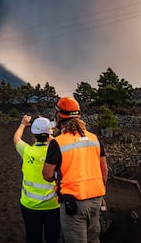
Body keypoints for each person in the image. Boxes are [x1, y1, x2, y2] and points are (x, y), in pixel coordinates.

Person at [42, 97, 108, 243]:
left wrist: (58, 174)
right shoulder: (94, 138)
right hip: (96, 200)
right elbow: (104, 171)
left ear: (59, 116)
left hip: (74, 205)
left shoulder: (57, 143)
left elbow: (47, 175)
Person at [13, 115, 61, 243]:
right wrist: (48, 129)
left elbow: (16, 138)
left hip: (30, 205)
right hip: (53, 205)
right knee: (53, 238)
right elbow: (55, 143)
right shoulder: (56, 152)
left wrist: (23, 124)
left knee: (33, 238)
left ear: (33, 134)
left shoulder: (27, 151)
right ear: (49, 133)